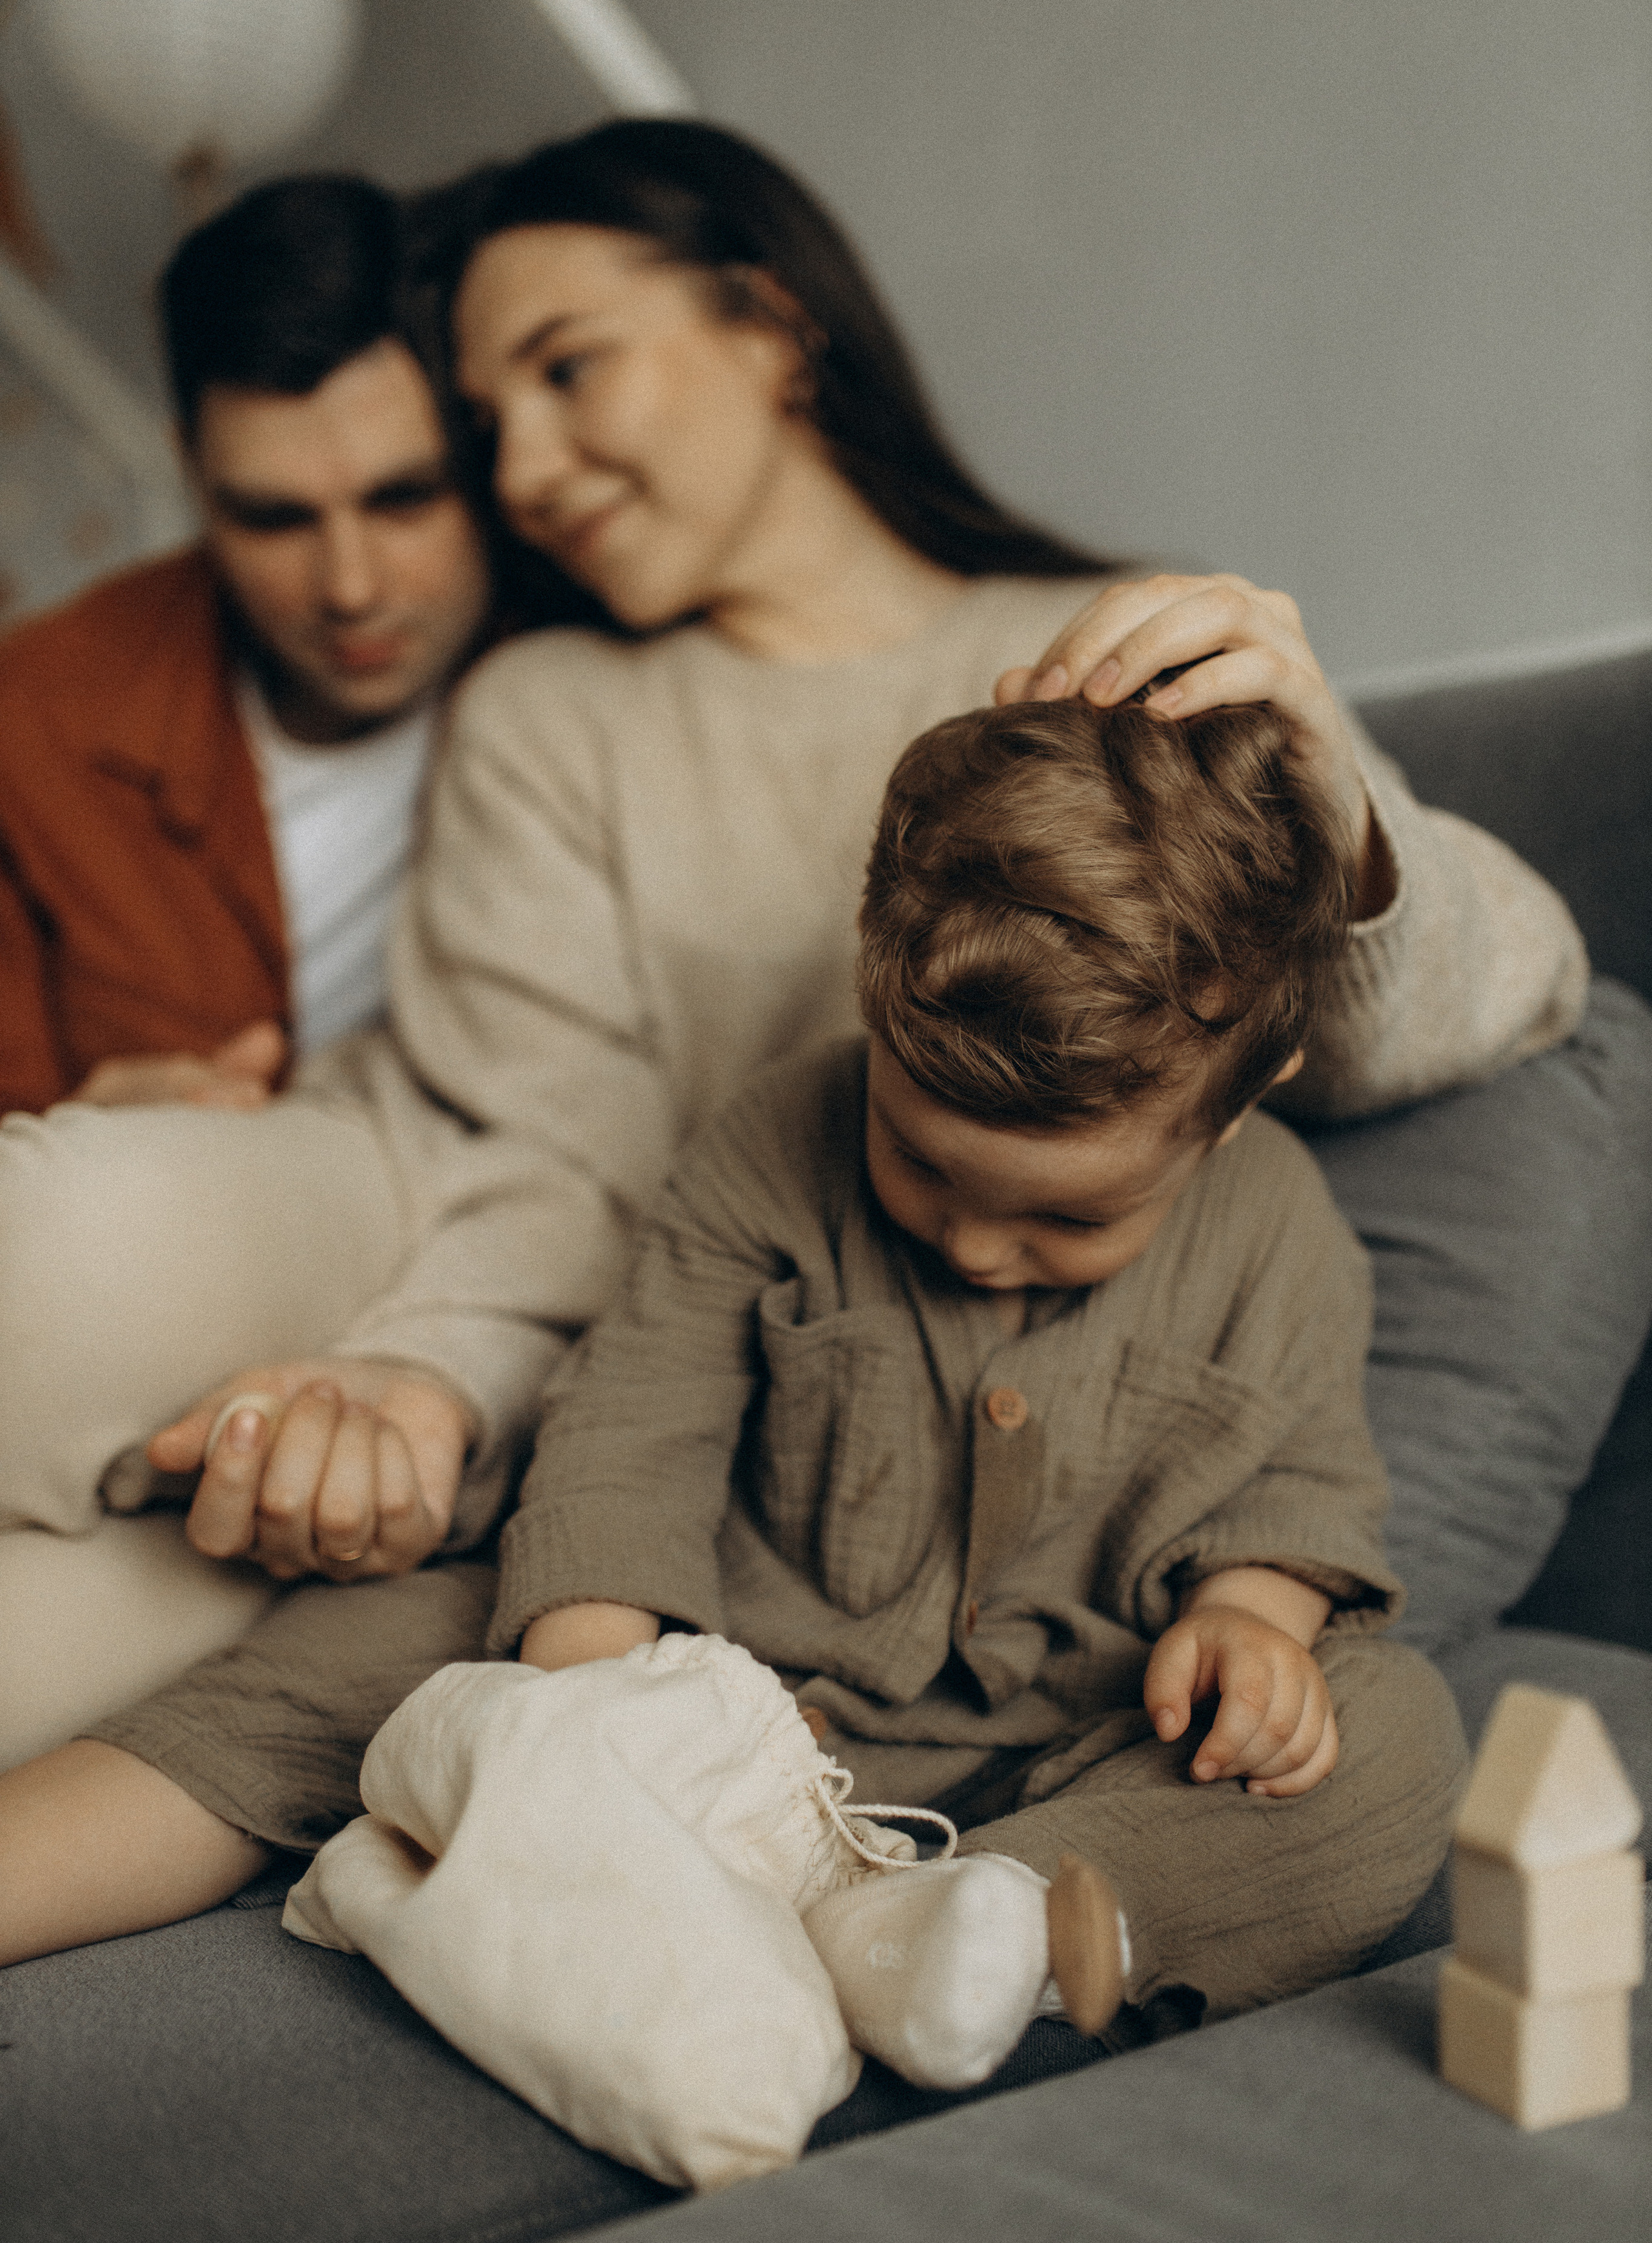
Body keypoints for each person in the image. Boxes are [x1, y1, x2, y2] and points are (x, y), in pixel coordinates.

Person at [0, 122, 1624, 1944]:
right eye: (492, 418)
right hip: (637, 1357)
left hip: (921, 1520)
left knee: (1374, 1753)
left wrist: (1332, 792)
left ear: (769, 326)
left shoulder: (1116, 664)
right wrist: (434, 1394)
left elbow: (1512, 999)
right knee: (81, 1302)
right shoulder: (552, 714)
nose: (525, 463)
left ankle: (961, 1938)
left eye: (567, 370)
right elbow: (560, 1164)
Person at [122, 701, 1466, 2117]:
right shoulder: (774, 1139)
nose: (972, 1243)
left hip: (1058, 1754)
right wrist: (617, 1713)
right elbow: (634, 1437)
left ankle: (972, 1925)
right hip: (717, 1690)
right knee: (365, 1641)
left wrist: (1252, 1626)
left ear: (1241, 1099)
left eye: (1066, 1217)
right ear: (869, 994)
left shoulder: (1284, 1241)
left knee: (1390, 1737)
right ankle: (722, 1895)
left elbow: (1302, 1486)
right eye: (917, 1161)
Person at [0, 174, 492, 1116]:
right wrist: (76, 1141)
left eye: (404, 499)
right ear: (191, 473)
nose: (351, 588)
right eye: (274, 518)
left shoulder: (589, 645)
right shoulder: (34, 716)